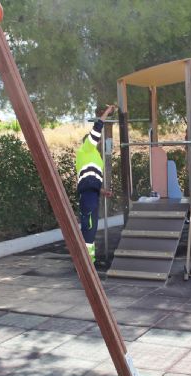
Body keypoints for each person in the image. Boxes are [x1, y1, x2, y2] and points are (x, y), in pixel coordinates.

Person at [76, 104, 114, 263]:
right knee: (89, 228)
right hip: (87, 196)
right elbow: (97, 128)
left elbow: (90, 180)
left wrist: (102, 190)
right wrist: (106, 113)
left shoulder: (94, 158)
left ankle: (88, 261)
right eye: (95, 140)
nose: (97, 142)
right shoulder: (85, 150)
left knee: (91, 228)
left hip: (92, 194)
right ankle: (86, 262)